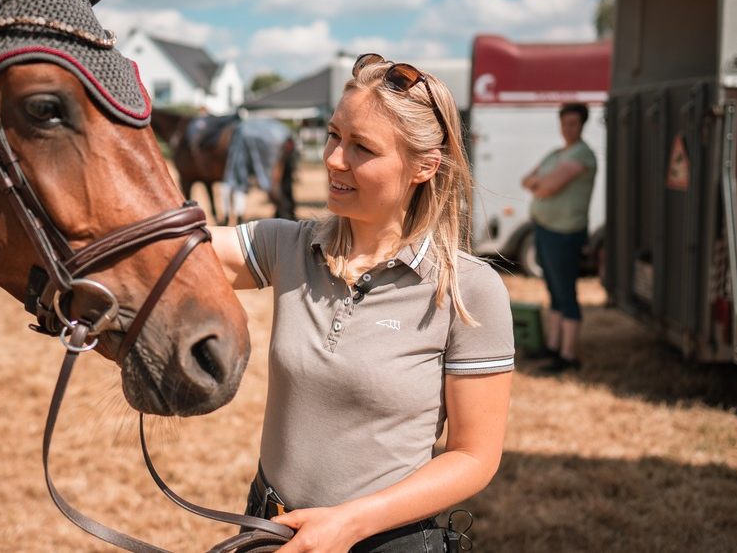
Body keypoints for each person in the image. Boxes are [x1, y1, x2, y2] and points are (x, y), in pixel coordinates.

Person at [210, 54, 514, 553]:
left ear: (425, 166)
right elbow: (172, 249)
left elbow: (473, 457)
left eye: (362, 148)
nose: (333, 159)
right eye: (334, 136)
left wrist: (347, 525)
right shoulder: (288, 246)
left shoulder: (468, 290)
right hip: (268, 529)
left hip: (383, 544)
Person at [520, 102, 597, 373]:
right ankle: (553, 348)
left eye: (573, 123)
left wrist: (540, 184)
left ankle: (568, 355)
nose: (568, 128)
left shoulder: (582, 154)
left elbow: (548, 187)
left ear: (582, 125)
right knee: (553, 292)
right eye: (565, 123)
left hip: (564, 234)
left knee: (565, 293)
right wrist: (539, 183)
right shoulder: (557, 153)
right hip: (544, 229)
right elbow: (526, 179)